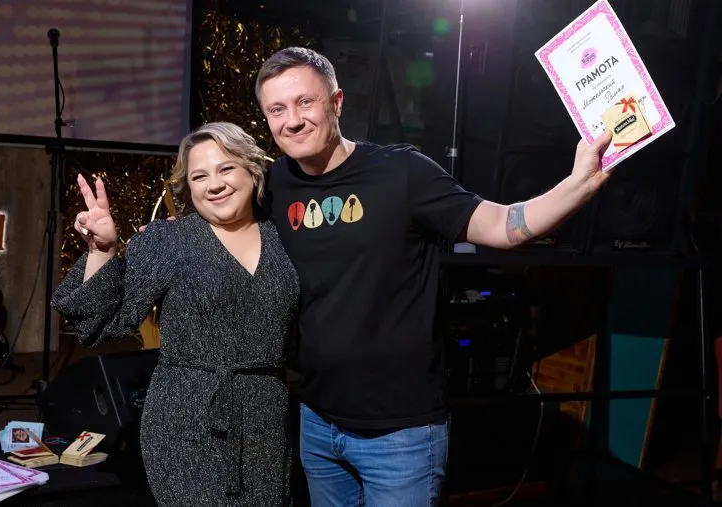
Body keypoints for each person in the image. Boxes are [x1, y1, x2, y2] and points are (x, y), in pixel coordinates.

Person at [252, 47, 613, 506]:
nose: (293, 121)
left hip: (400, 434)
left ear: (336, 102)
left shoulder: (401, 172)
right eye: (277, 109)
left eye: (306, 102)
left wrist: (579, 184)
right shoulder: (275, 185)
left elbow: (500, 226)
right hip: (319, 424)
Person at [51, 122, 300, 506]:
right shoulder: (168, 240)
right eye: (199, 176)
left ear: (252, 170)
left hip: (267, 421)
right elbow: (103, 323)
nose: (214, 185)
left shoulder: (285, 237)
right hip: (186, 421)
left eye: (226, 168)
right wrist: (103, 251)